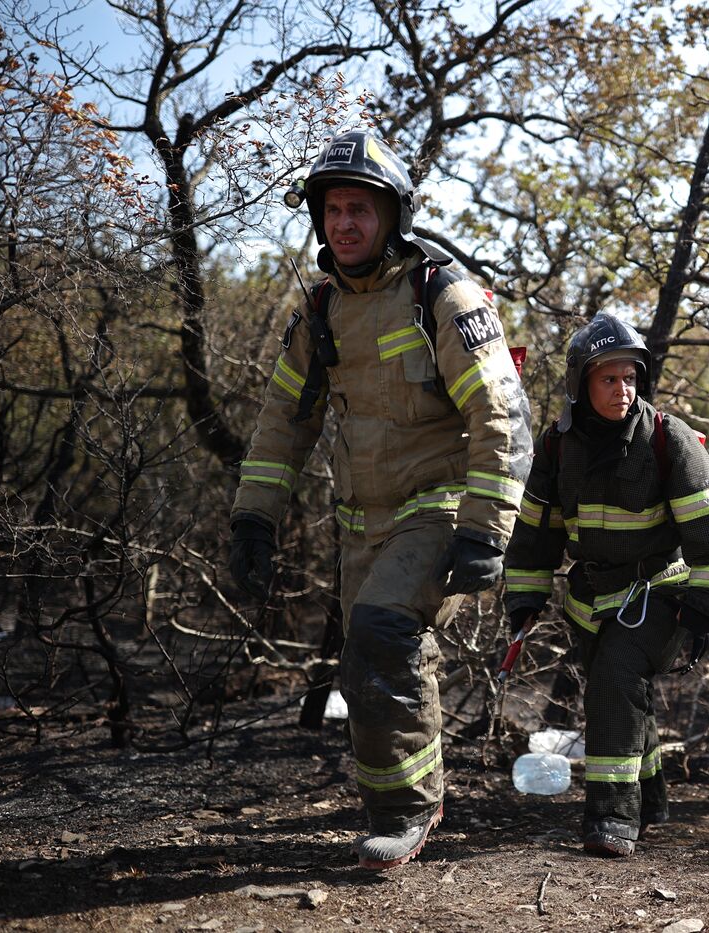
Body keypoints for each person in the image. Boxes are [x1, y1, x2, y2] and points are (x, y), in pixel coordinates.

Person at [227, 130, 532, 869]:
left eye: (360, 208)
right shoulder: (321, 309)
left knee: (382, 625)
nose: (344, 224)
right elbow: (281, 422)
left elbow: (502, 414)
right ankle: (393, 809)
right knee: (363, 663)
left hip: (440, 505)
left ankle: (408, 811)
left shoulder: (441, 293)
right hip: (361, 525)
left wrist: (485, 531)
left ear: (394, 214)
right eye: (332, 209)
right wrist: (252, 516)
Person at [502, 314, 709, 857]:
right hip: (590, 601)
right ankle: (651, 799)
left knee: (614, 678)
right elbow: (535, 534)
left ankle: (612, 818)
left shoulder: (669, 439)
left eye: (630, 377)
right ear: (582, 385)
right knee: (622, 697)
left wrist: (704, 611)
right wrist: (524, 600)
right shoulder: (559, 447)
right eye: (608, 378)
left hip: (662, 592)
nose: (622, 389)